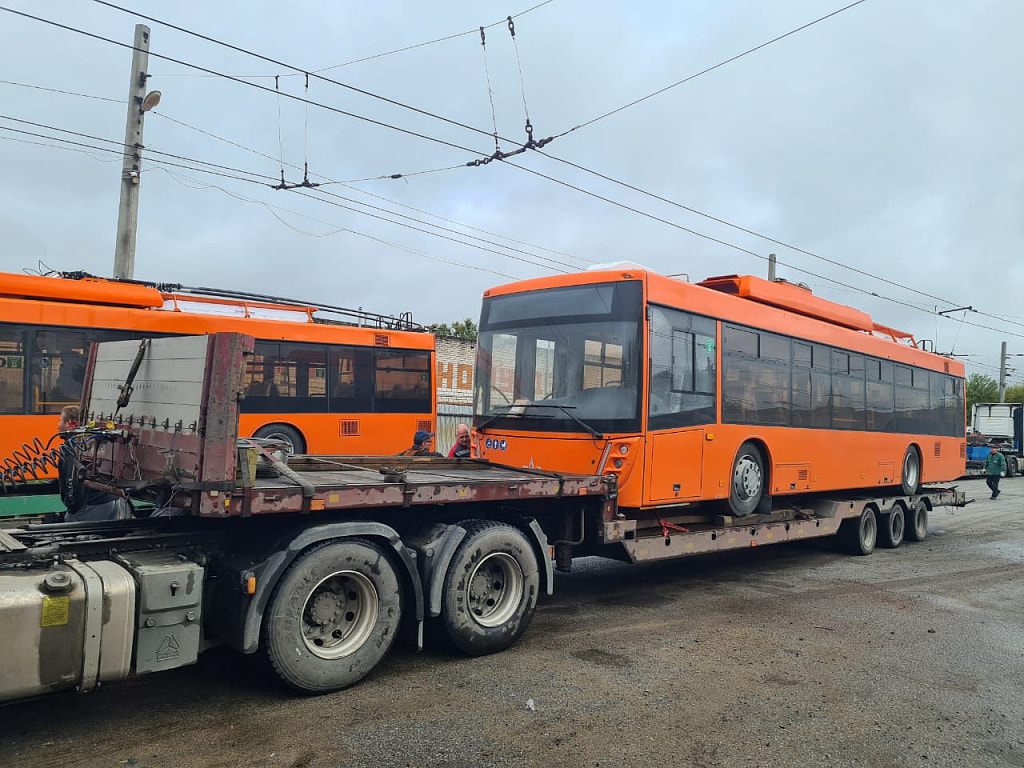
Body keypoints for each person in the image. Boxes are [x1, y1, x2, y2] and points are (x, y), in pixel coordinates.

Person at [57, 405, 131, 522]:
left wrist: (73, 509)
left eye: (60, 420)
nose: (58, 424)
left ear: (70, 423)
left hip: (92, 505)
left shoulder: (70, 447)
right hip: (112, 501)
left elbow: (71, 482)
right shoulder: (94, 440)